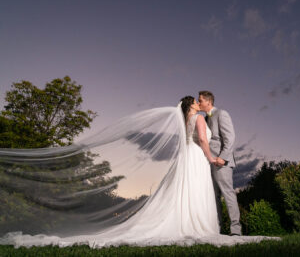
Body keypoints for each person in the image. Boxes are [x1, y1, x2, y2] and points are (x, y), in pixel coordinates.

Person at [0, 96, 279, 248]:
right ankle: (200, 227)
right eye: (195, 101)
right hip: (196, 157)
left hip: (184, 158)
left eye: (199, 100)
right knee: (196, 193)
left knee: (186, 193)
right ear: (192, 106)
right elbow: (204, 142)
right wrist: (212, 158)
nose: (197, 102)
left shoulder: (184, 119)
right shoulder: (199, 118)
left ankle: (192, 224)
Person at [198, 91, 242, 236]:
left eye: (200, 101)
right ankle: (218, 229)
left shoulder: (222, 114)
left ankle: (235, 230)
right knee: (214, 196)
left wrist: (223, 157)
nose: (199, 103)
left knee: (228, 194)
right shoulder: (204, 118)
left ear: (209, 102)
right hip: (210, 162)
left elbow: (230, 137)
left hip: (222, 162)